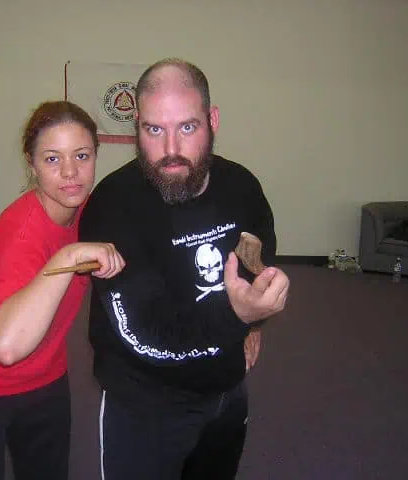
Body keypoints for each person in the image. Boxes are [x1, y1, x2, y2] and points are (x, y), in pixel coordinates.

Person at [79, 58, 290, 479]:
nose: (170, 149)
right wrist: (239, 316)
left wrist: (255, 322)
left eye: (187, 127)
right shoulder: (113, 206)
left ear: (212, 121)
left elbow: (258, 263)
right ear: (137, 126)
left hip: (226, 392)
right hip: (144, 404)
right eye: (154, 129)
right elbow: (146, 337)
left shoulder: (242, 187)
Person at [0, 100, 125, 480]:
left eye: (81, 155)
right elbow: (6, 348)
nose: (70, 172)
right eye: (52, 159)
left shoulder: (86, 211)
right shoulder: (20, 236)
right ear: (31, 165)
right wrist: (68, 256)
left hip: (45, 377)